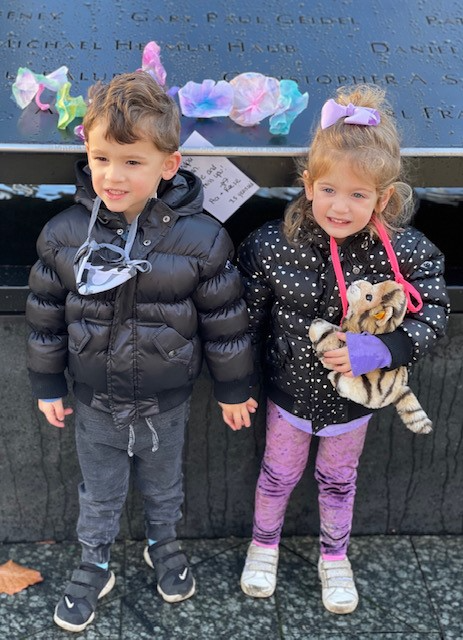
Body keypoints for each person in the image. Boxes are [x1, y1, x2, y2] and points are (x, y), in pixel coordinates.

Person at [26, 71, 256, 633]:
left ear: (168, 165)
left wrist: (232, 388)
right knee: (99, 491)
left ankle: (164, 543)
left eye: (132, 162)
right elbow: (45, 316)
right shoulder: (63, 234)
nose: (113, 175)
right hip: (95, 399)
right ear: (87, 150)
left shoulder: (201, 239)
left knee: (164, 483)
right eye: (102, 158)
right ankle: (93, 560)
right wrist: (47, 384)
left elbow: (225, 319)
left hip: (166, 400)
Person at [236, 84, 449, 614]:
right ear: (308, 185)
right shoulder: (271, 246)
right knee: (277, 474)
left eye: (359, 195)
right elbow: (243, 320)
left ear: (383, 198)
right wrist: (238, 383)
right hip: (289, 396)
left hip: (354, 407)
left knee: (338, 479)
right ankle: (263, 545)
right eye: (329, 189)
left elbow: (435, 313)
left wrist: (386, 350)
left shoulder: (404, 252)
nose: (341, 206)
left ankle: (335, 555)